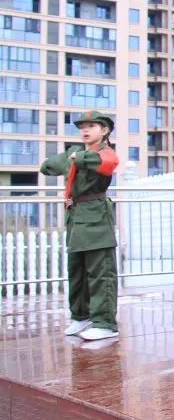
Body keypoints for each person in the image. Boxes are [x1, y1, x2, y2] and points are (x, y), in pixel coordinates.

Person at [41, 110, 120, 342]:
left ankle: (105, 322)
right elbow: (47, 167)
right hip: (75, 217)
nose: (85, 130)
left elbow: (108, 163)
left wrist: (77, 159)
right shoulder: (74, 153)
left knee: (100, 273)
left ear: (104, 130)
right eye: (82, 127)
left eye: (91, 126)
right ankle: (80, 315)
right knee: (76, 271)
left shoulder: (104, 152)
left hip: (95, 215)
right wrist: (69, 159)